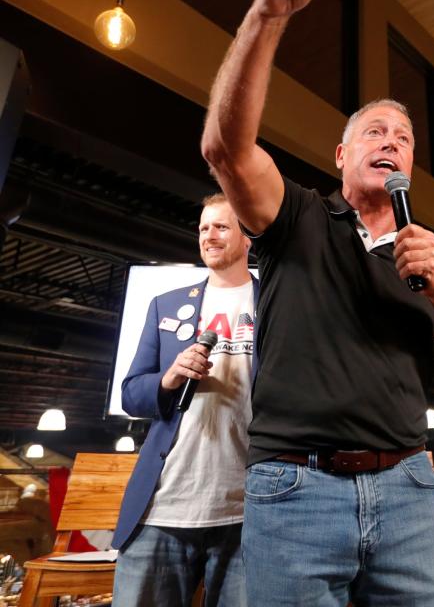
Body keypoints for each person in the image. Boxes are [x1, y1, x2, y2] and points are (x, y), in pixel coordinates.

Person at [200, 0, 434, 607]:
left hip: (408, 492)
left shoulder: (429, 252)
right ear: (342, 155)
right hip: (297, 490)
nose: (391, 141)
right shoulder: (297, 216)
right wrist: (268, 14)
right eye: (375, 132)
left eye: (403, 138)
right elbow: (224, 148)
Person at [112, 194, 257, 607]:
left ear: (247, 236)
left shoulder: (274, 303)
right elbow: (131, 395)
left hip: (248, 514)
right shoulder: (167, 304)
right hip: (163, 508)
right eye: (203, 228)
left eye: (221, 226)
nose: (209, 235)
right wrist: (170, 376)